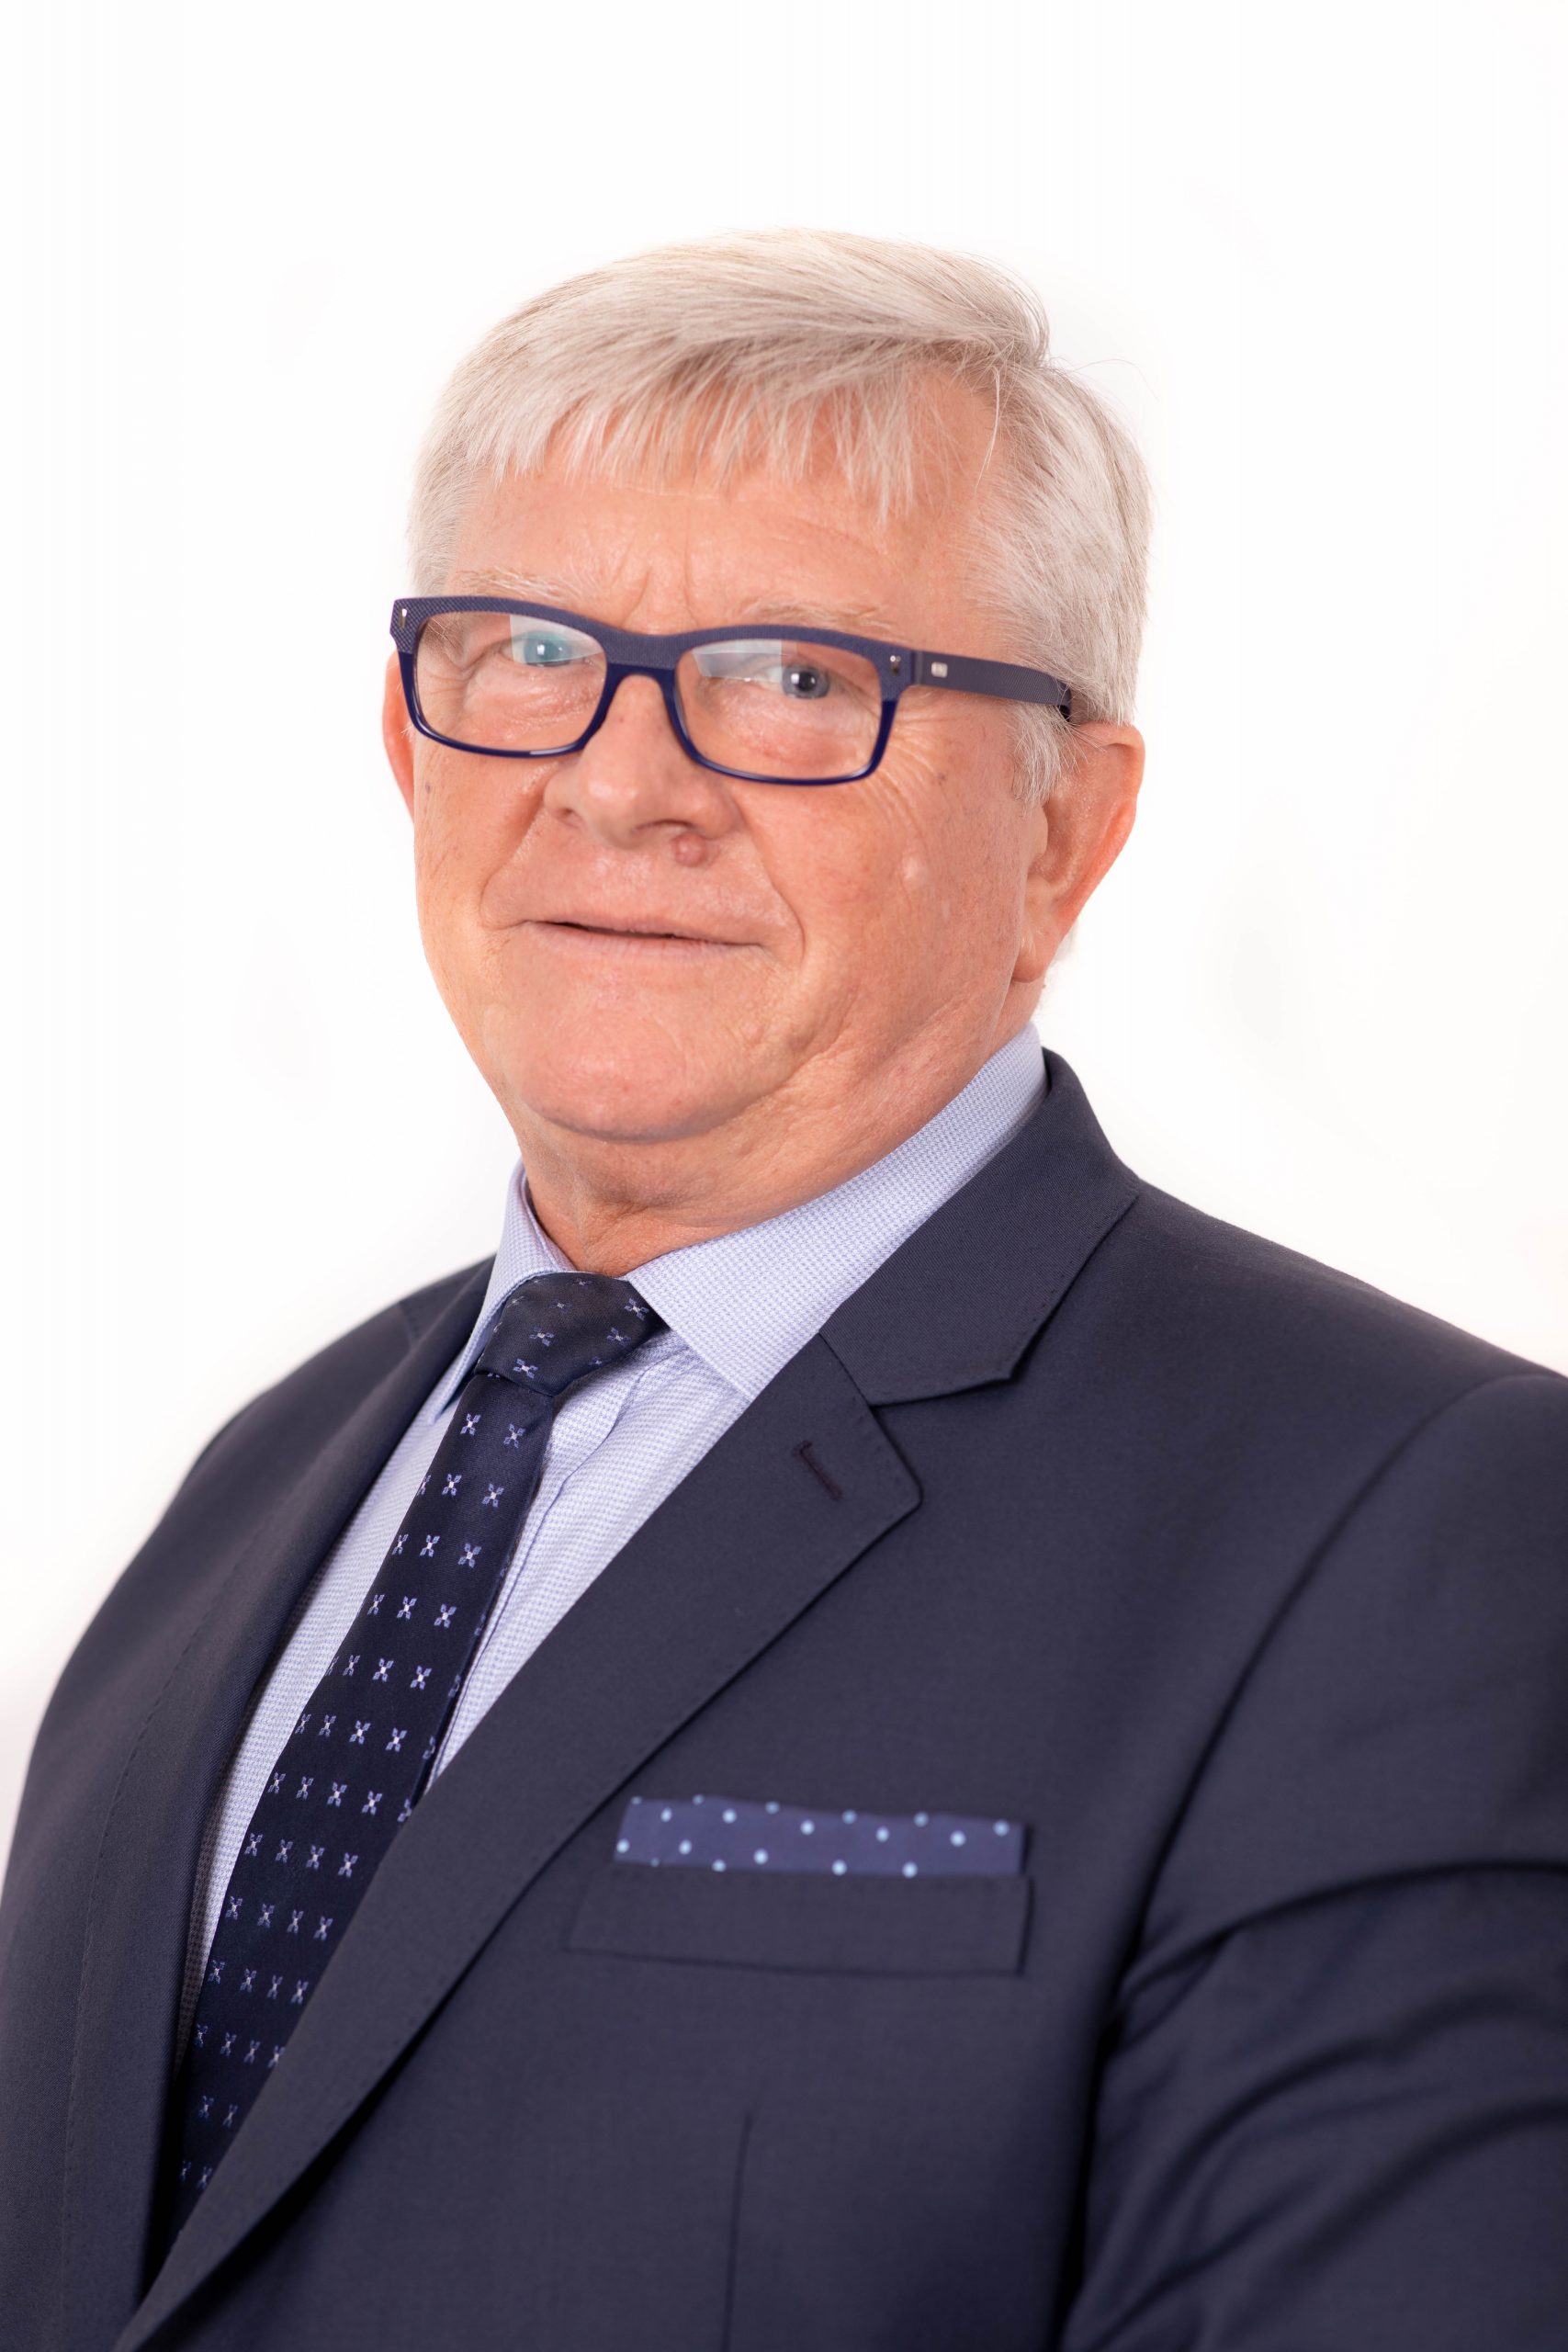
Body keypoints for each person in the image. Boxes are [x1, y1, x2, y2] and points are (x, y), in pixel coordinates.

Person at [2, 228, 1565, 2352]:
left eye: (797, 677)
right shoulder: (248, 1496)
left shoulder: (1399, 1530)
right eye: (527, 647)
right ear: (405, 737)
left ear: (1064, 827)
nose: (617, 780)